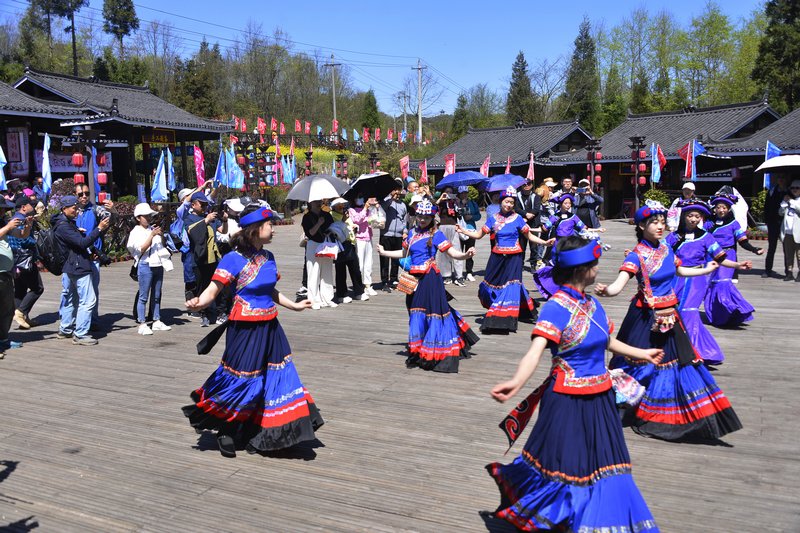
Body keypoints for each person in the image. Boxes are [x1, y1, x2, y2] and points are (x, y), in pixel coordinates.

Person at [486, 236, 660, 533]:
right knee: (568, 466)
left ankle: (603, 521)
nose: (597, 269)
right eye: (594, 264)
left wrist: (641, 353)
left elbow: (607, 341)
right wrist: (516, 382)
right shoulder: (556, 307)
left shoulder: (592, 303)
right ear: (582, 270)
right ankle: (567, 519)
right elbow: (535, 350)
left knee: (606, 464)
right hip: (567, 400)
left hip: (601, 398)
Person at [183, 203, 323, 457]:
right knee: (242, 380)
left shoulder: (268, 258)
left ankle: (265, 428)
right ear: (255, 229)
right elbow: (212, 291)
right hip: (244, 330)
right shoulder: (232, 259)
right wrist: (198, 303)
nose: (273, 229)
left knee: (275, 378)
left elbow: (270, 291)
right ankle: (226, 429)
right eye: (270, 225)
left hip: (270, 327)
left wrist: (294, 305)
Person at [595, 200, 742, 442]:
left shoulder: (666, 249)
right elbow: (619, 285)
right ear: (641, 225)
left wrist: (706, 269)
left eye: (663, 222)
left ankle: (669, 412)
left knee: (677, 362)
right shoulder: (636, 255)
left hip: (671, 314)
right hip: (645, 317)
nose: (660, 226)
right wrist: (606, 291)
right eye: (654, 222)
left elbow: (680, 271)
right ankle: (628, 406)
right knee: (639, 363)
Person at [377, 199, 479, 372]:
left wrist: (466, 255)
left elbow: (452, 253)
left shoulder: (436, 234)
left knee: (431, 312)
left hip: (430, 279)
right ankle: (419, 348)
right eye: (420, 216)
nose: (422, 220)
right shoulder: (411, 233)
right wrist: (384, 252)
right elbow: (403, 253)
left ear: (432, 217)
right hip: (414, 279)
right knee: (414, 311)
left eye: (426, 217)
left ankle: (431, 351)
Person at [667, 199, 752, 365]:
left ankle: (695, 352)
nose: (693, 219)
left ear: (701, 218)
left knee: (688, 311)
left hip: (697, 279)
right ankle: (674, 349)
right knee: (674, 312)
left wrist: (737, 265)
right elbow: (660, 254)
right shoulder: (673, 237)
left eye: (696, 216)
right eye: (690, 215)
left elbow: (720, 257)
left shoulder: (706, 237)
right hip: (675, 279)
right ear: (683, 216)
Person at [457, 187, 553, 334]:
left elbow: (529, 237)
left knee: (511, 286)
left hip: (514, 257)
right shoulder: (493, 218)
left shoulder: (518, 219)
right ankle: (517, 308)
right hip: (496, 258)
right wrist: (463, 231)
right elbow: (478, 235)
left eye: (512, 203)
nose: (508, 205)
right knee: (489, 285)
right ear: (501, 202)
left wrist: (544, 243)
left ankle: (505, 318)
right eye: (506, 202)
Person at [54, 195, 111, 345]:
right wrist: (99, 228)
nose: (76, 210)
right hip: (78, 265)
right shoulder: (64, 225)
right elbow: (82, 242)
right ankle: (80, 333)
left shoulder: (63, 222)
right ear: (64, 208)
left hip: (71, 265)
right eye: (74, 207)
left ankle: (65, 329)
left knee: (71, 298)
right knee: (88, 300)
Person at [704, 194, 764, 327]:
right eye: (719, 207)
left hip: (728, 255)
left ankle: (732, 309)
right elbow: (702, 240)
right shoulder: (708, 223)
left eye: (724, 207)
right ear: (715, 208)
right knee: (711, 285)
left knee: (723, 282)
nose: (721, 210)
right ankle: (716, 315)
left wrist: (754, 249)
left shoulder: (734, 224)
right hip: (711, 256)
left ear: (729, 209)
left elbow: (743, 241)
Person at [533, 193, 604, 299]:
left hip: (569, 246)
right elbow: (544, 229)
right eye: (565, 203)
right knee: (557, 268)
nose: (568, 205)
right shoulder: (555, 217)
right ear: (561, 204)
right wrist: (529, 229)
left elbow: (584, 228)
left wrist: (597, 230)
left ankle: (570, 290)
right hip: (557, 245)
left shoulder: (573, 217)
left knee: (570, 268)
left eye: (569, 203)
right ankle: (553, 289)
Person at [127, 203, 173, 336]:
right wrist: (152, 235)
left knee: (157, 294)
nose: (148, 218)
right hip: (145, 264)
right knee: (143, 296)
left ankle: (156, 320)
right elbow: (140, 249)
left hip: (158, 264)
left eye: (149, 215)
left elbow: (160, 246)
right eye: (145, 216)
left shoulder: (151, 229)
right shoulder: (135, 232)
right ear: (138, 218)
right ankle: (142, 323)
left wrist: (158, 235)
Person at [74, 181, 116, 330]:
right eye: (81, 194)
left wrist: (113, 211)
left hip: (93, 256)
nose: (84, 196)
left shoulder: (96, 210)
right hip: (75, 257)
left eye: (87, 193)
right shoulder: (72, 211)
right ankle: (75, 320)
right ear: (75, 195)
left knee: (93, 290)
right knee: (73, 292)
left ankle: (93, 320)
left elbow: (112, 221)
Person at [184, 191, 221, 327]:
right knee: (201, 288)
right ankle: (203, 314)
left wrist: (224, 219)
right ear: (193, 205)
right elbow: (193, 234)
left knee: (215, 286)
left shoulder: (209, 217)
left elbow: (223, 230)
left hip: (213, 258)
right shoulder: (188, 219)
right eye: (202, 204)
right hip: (198, 259)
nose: (205, 207)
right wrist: (206, 221)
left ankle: (215, 313)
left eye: (206, 204)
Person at [8, 196, 43, 329]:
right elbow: (24, 240)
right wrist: (36, 242)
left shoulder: (13, 219)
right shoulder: (21, 220)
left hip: (14, 260)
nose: (33, 207)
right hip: (25, 259)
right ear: (24, 207)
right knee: (37, 288)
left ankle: (23, 318)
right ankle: (21, 313)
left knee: (20, 291)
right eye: (31, 205)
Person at [330, 198, 367, 303]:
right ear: (334, 206)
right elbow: (335, 229)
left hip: (350, 243)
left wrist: (353, 227)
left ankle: (359, 292)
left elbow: (348, 226)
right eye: (339, 205)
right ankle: (342, 294)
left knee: (355, 268)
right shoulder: (331, 215)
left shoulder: (346, 214)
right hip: (340, 245)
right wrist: (343, 220)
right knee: (340, 270)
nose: (342, 207)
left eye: (343, 205)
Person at [302, 199, 336, 309]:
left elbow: (333, 228)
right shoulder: (306, 217)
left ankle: (327, 298)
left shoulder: (327, 215)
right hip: (313, 245)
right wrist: (319, 223)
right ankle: (314, 300)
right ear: (310, 203)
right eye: (315, 201)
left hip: (326, 244)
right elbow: (310, 233)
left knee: (327, 272)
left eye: (319, 201)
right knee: (313, 272)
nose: (318, 203)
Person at [0, 199, 24, 359]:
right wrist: (8, 227)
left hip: (6, 272)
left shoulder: (3, 222)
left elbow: (21, 235)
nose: (3, 211)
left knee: (7, 308)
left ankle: (3, 339)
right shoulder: (4, 225)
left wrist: (27, 226)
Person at [379, 185, 408, 291]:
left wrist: (404, 231)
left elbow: (405, 220)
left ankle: (394, 279)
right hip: (386, 234)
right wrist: (391, 199)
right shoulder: (386, 201)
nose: (397, 192)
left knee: (396, 259)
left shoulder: (403, 205)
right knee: (384, 259)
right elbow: (382, 210)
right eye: (395, 189)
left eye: (398, 189)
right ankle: (384, 281)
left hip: (399, 235)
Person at [348, 196, 379, 296]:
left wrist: (375, 211)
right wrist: (365, 209)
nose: (360, 199)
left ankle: (368, 285)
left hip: (368, 237)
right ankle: (358, 285)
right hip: (359, 238)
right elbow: (357, 220)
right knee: (359, 263)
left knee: (369, 263)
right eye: (358, 197)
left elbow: (371, 220)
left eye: (361, 197)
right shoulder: (351, 210)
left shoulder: (368, 209)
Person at [435, 186, 465, 286]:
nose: (449, 194)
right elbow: (433, 208)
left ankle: (459, 276)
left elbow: (461, 214)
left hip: (454, 227)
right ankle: (446, 275)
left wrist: (458, 202)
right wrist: (440, 199)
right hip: (442, 227)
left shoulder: (455, 203)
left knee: (457, 250)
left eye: (451, 192)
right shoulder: (441, 203)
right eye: (447, 192)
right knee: (443, 251)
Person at [514, 178, 542, 269]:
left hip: (534, 224)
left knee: (534, 246)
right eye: (524, 184)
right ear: (521, 185)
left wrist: (531, 214)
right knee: (522, 245)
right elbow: (516, 208)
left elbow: (537, 208)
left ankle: (533, 264)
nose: (526, 186)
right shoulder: (517, 196)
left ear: (532, 185)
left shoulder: (536, 196)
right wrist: (526, 214)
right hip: (522, 223)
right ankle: (520, 264)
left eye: (528, 184)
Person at [763, 176, 788, 278]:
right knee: (771, 246)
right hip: (773, 222)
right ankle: (768, 270)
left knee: (786, 248)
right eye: (779, 177)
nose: (781, 179)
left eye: (783, 177)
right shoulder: (772, 191)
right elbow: (767, 206)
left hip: (785, 223)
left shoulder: (790, 191)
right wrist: (767, 220)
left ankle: (788, 272)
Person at [455, 186, 481, 281]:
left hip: (471, 230)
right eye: (462, 193)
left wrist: (471, 217)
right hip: (459, 229)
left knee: (470, 250)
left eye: (466, 192)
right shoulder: (455, 203)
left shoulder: (472, 203)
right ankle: (459, 272)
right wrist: (461, 205)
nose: (464, 194)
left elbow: (478, 215)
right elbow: (455, 214)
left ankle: (469, 271)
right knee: (459, 251)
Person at [779, 179, 800, 281]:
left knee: (799, 254)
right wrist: (784, 203)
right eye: (792, 188)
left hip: (798, 232)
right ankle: (789, 272)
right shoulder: (788, 199)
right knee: (788, 254)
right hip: (787, 232)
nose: (794, 190)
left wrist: (792, 202)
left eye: (797, 188)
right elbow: (780, 213)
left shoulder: (796, 201)